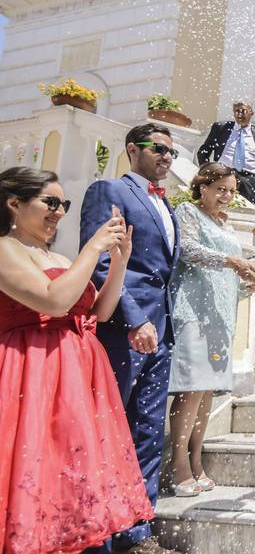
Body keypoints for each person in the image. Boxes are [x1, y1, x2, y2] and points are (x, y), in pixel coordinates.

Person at [0, 167, 153, 554]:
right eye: (50, 202)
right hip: (30, 373)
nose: (59, 211)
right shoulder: (4, 249)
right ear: (14, 204)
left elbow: (98, 312)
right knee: (35, 465)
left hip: (76, 374)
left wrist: (120, 262)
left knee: (71, 473)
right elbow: (52, 300)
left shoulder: (57, 255)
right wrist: (92, 248)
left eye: (63, 204)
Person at [79, 123, 183, 554]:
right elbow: (100, 261)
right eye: (158, 149)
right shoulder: (109, 190)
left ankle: (137, 532)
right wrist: (134, 318)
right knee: (107, 428)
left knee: (146, 430)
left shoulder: (167, 204)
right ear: (132, 149)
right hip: (123, 329)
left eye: (171, 153)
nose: (166, 157)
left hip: (162, 331)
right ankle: (94, 532)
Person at [167, 163, 255, 497]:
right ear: (203, 187)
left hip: (222, 314)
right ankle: (178, 463)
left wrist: (252, 285)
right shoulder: (188, 212)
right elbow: (189, 252)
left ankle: (197, 460)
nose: (227, 196)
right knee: (192, 388)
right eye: (221, 189)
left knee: (208, 391)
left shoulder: (226, 224)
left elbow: (227, 277)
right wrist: (233, 262)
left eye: (231, 190)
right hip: (193, 309)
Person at [197, 100, 255, 203]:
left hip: (249, 180)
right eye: (236, 111)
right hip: (223, 174)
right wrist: (206, 172)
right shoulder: (221, 128)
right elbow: (204, 151)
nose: (239, 114)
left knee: (245, 213)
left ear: (251, 112)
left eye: (243, 111)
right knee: (218, 208)